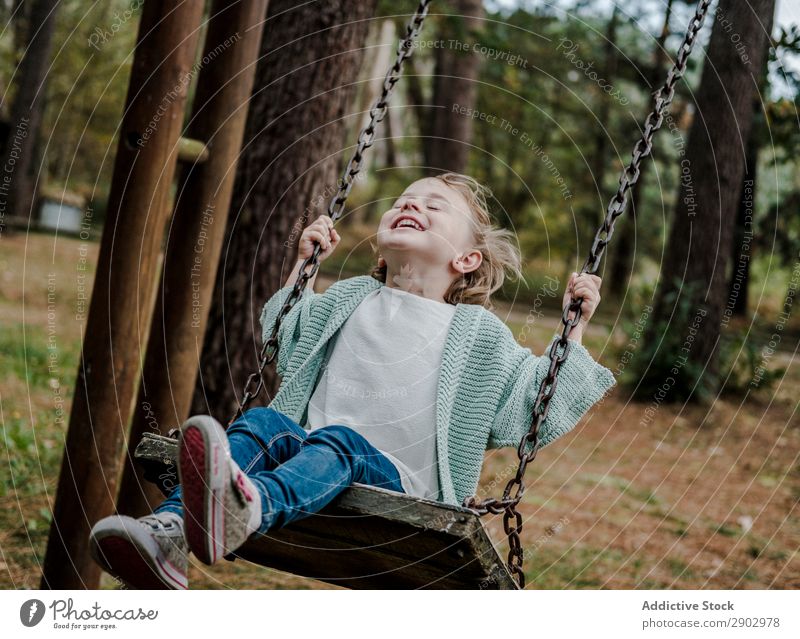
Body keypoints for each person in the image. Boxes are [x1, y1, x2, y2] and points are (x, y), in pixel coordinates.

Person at [88, 172, 615, 589]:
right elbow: (286, 339)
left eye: (434, 207)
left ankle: (247, 509)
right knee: (264, 422)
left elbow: (526, 411)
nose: (412, 206)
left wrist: (575, 328)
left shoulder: (478, 334)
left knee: (341, 443)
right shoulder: (349, 298)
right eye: (405, 200)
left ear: (467, 259)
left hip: (406, 488)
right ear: (381, 251)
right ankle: (171, 535)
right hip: (308, 452)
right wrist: (304, 269)